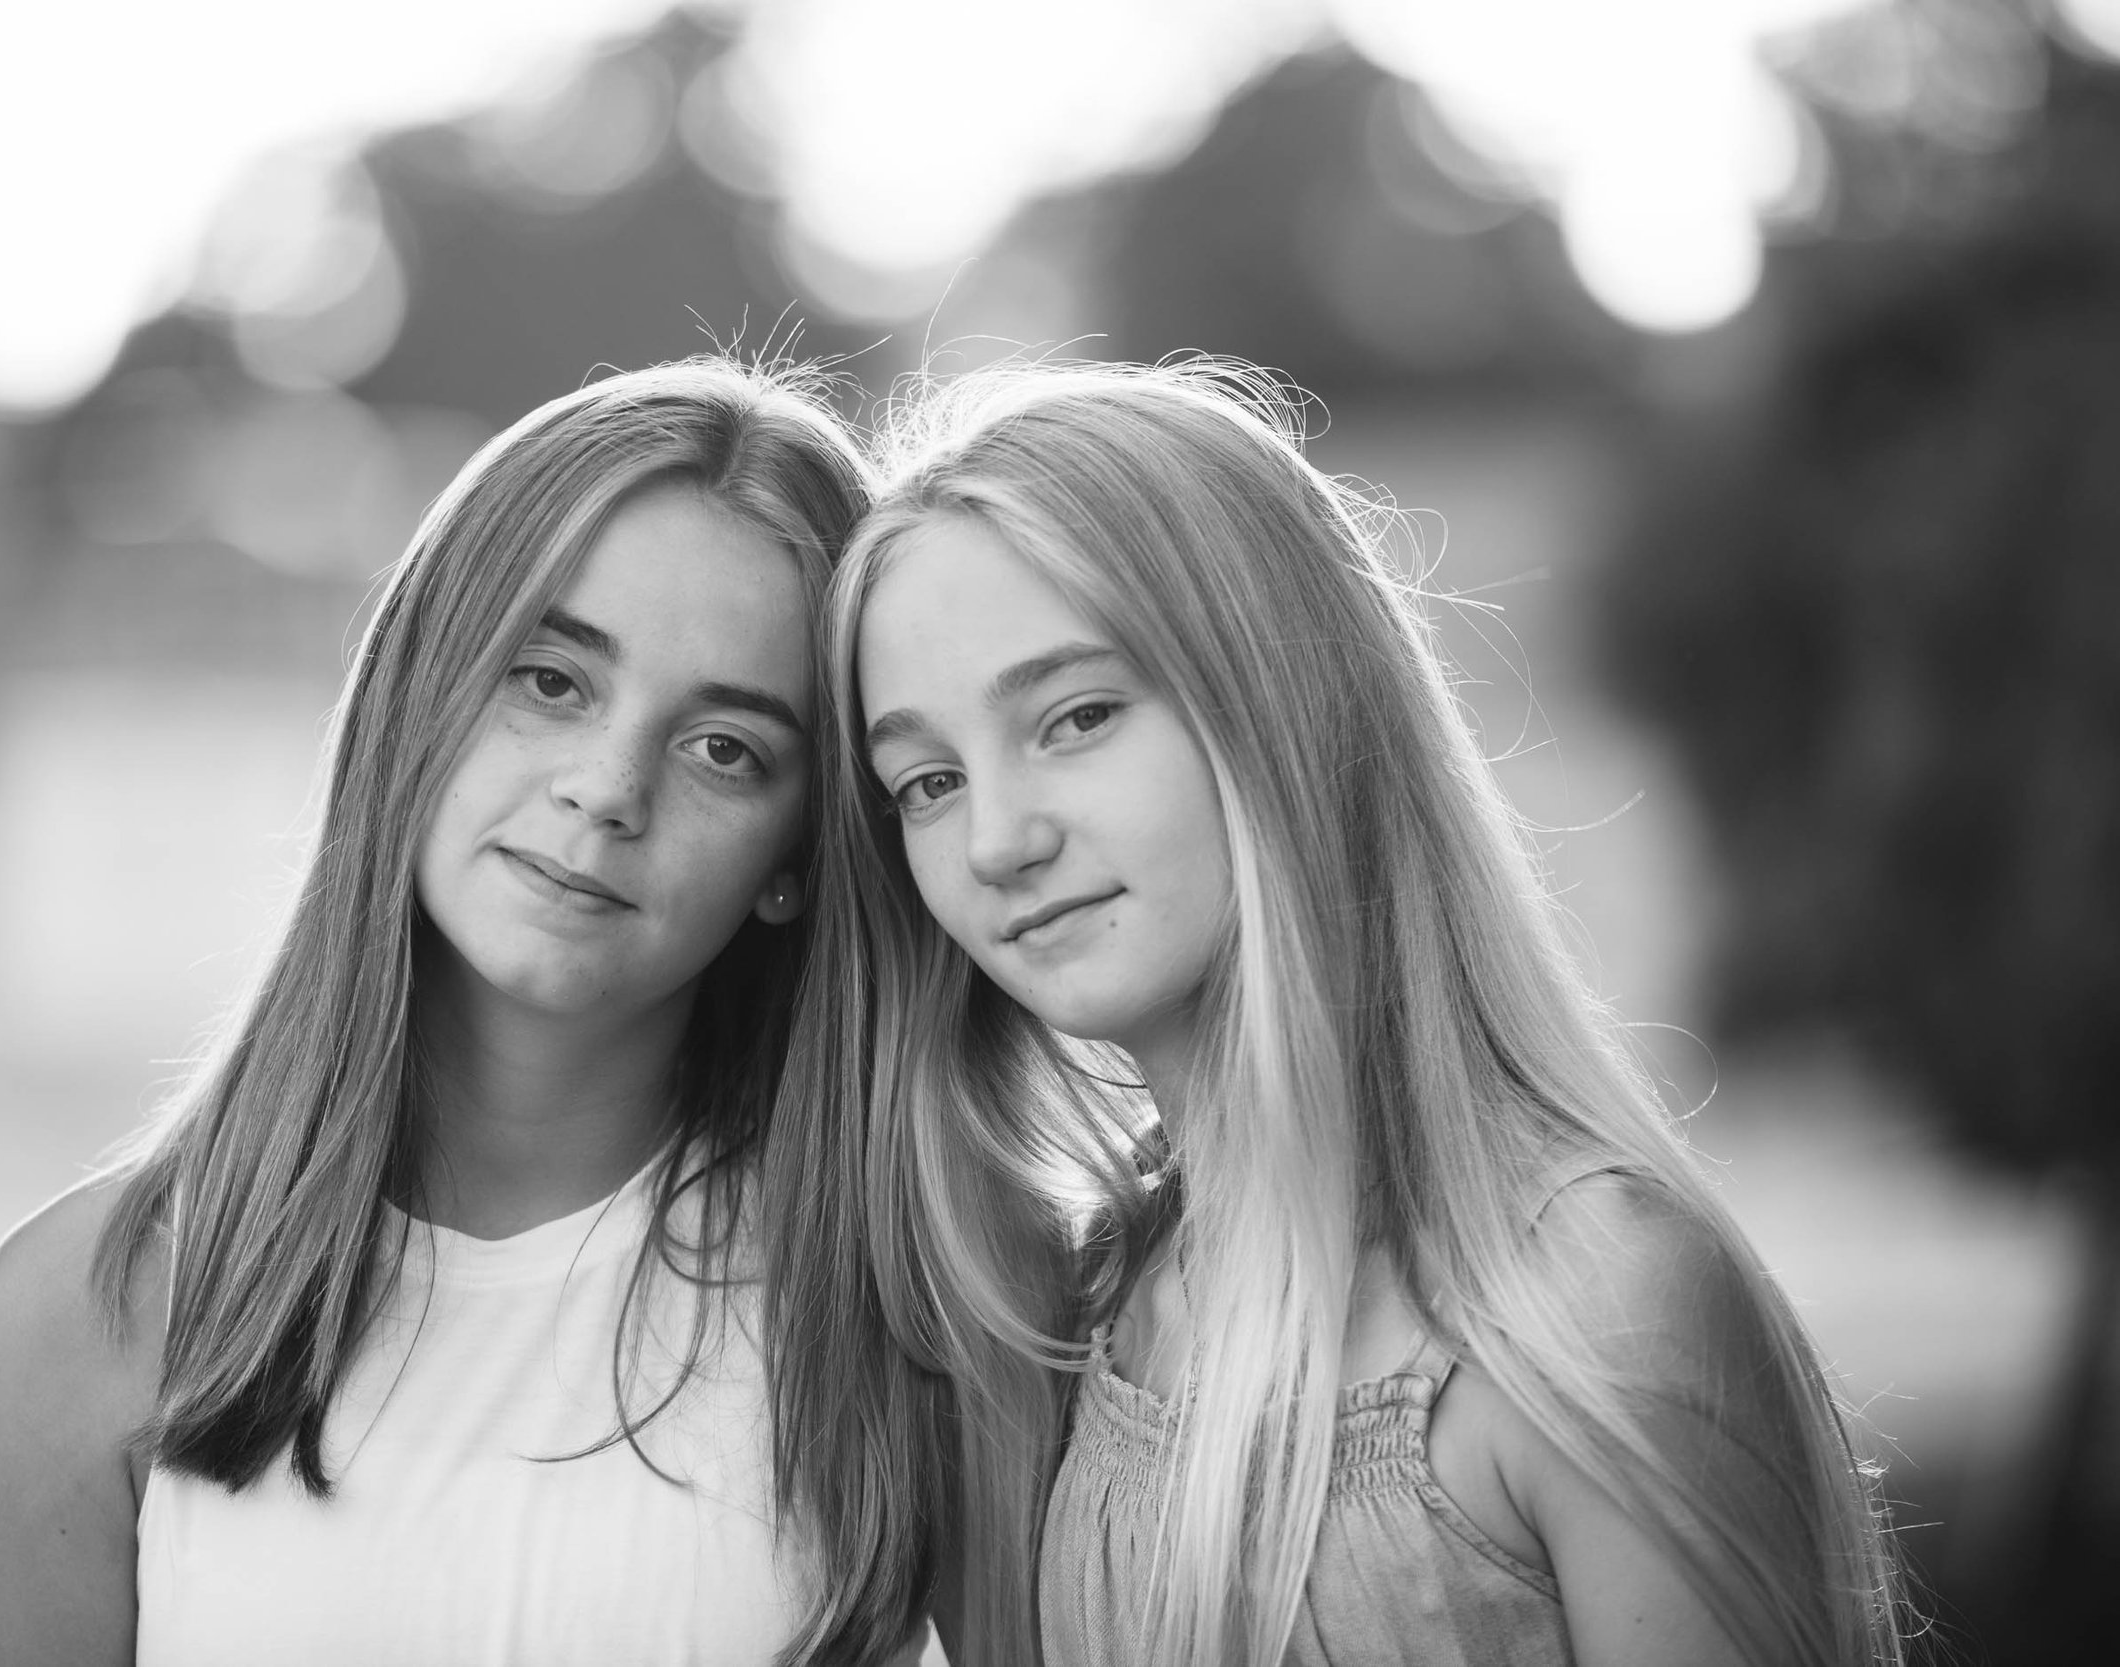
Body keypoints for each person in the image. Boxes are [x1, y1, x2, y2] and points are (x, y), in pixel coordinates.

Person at [764, 360, 1906, 1667]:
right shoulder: (1078, 1324)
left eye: (1076, 717)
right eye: (924, 780)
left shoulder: (1592, 1306)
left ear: (1283, 703)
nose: (996, 839)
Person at [0, 358, 880, 1666]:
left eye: (726, 748)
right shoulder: (81, 1319)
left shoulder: (905, 1306)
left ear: (800, 857)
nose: (607, 789)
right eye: (550, 679)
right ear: (414, 697)